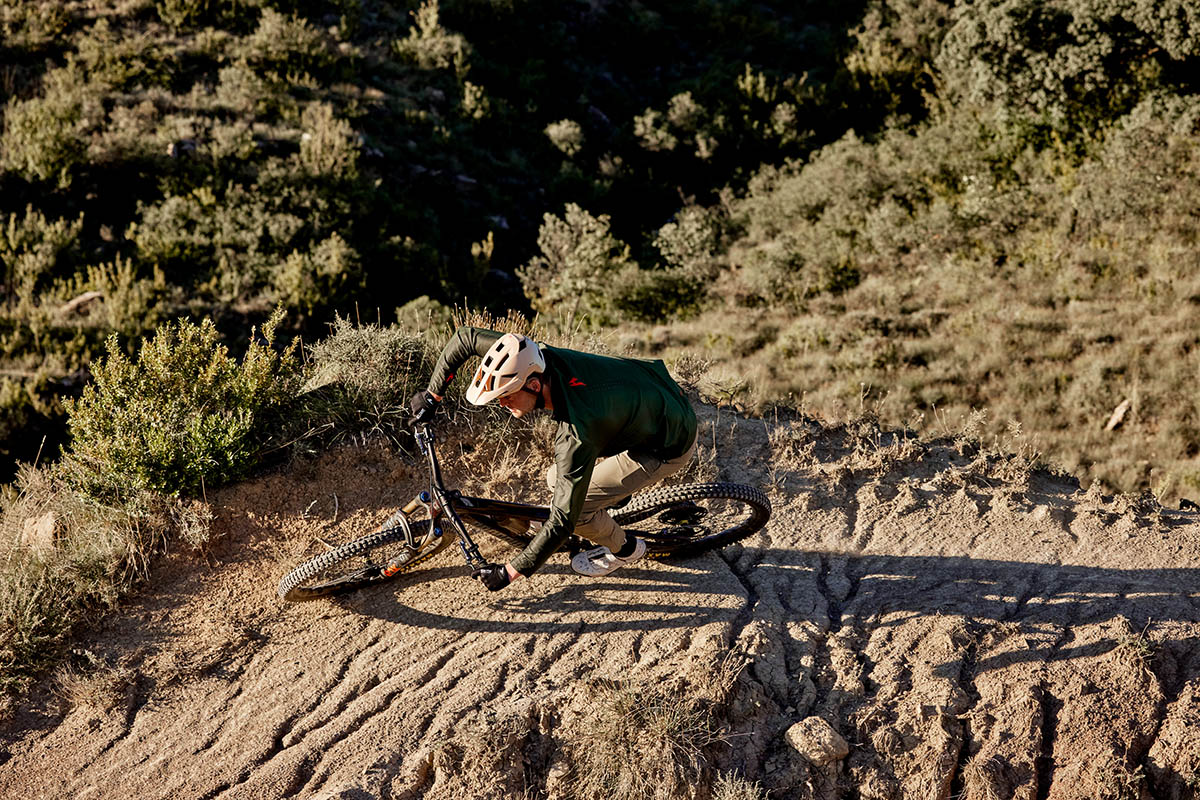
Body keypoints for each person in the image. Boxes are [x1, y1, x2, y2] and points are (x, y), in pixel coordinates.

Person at [409, 327, 697, 592]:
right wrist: (433, 395)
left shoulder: (577, 431)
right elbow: (466, 338)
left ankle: (626, 550)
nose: (502, 403)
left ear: (534, 386)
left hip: (668, 443)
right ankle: (610, 500)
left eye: (507, 395)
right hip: (651, 393)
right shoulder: (532, 356)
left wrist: (510, 571)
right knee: (554, 479)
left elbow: (562, 522)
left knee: (579, 512)